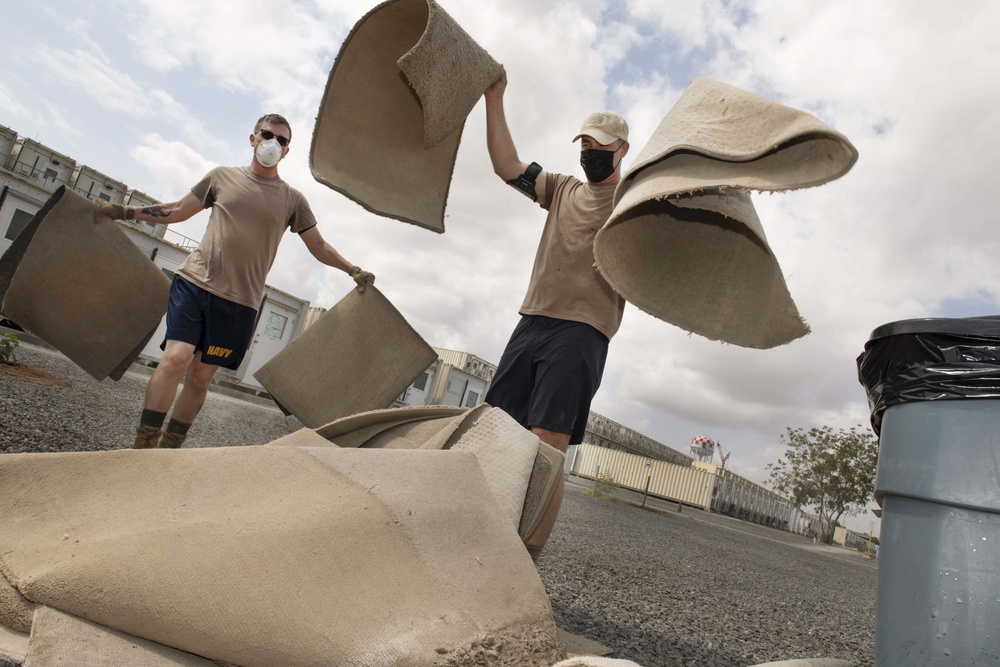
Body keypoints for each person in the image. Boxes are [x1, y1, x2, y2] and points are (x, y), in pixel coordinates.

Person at [100, 114, 374, 450]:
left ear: (287, 151)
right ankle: (143, 445)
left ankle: (169, 448)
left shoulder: (292, 200)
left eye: (281, 140)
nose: (273, 143)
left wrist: (353, 270)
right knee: (175, 359)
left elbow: (317, 245)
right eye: (267, 134)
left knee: (200, 377)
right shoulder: (221, 178)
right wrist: (126, 211)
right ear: (253, 138)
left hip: (239, 303)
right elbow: (177, 210)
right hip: (195, 283)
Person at [482, 67, 629, 557]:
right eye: (584, 144)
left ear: (621, 150)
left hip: (582, 332)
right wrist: (495, 97)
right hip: (533, 320)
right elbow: (507, 166)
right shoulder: (562, 189)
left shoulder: (632, 203)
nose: (590, 153)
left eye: (600, 146)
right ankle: (486, 543)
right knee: (497, 435)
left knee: (546, 451)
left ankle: (526, 562)